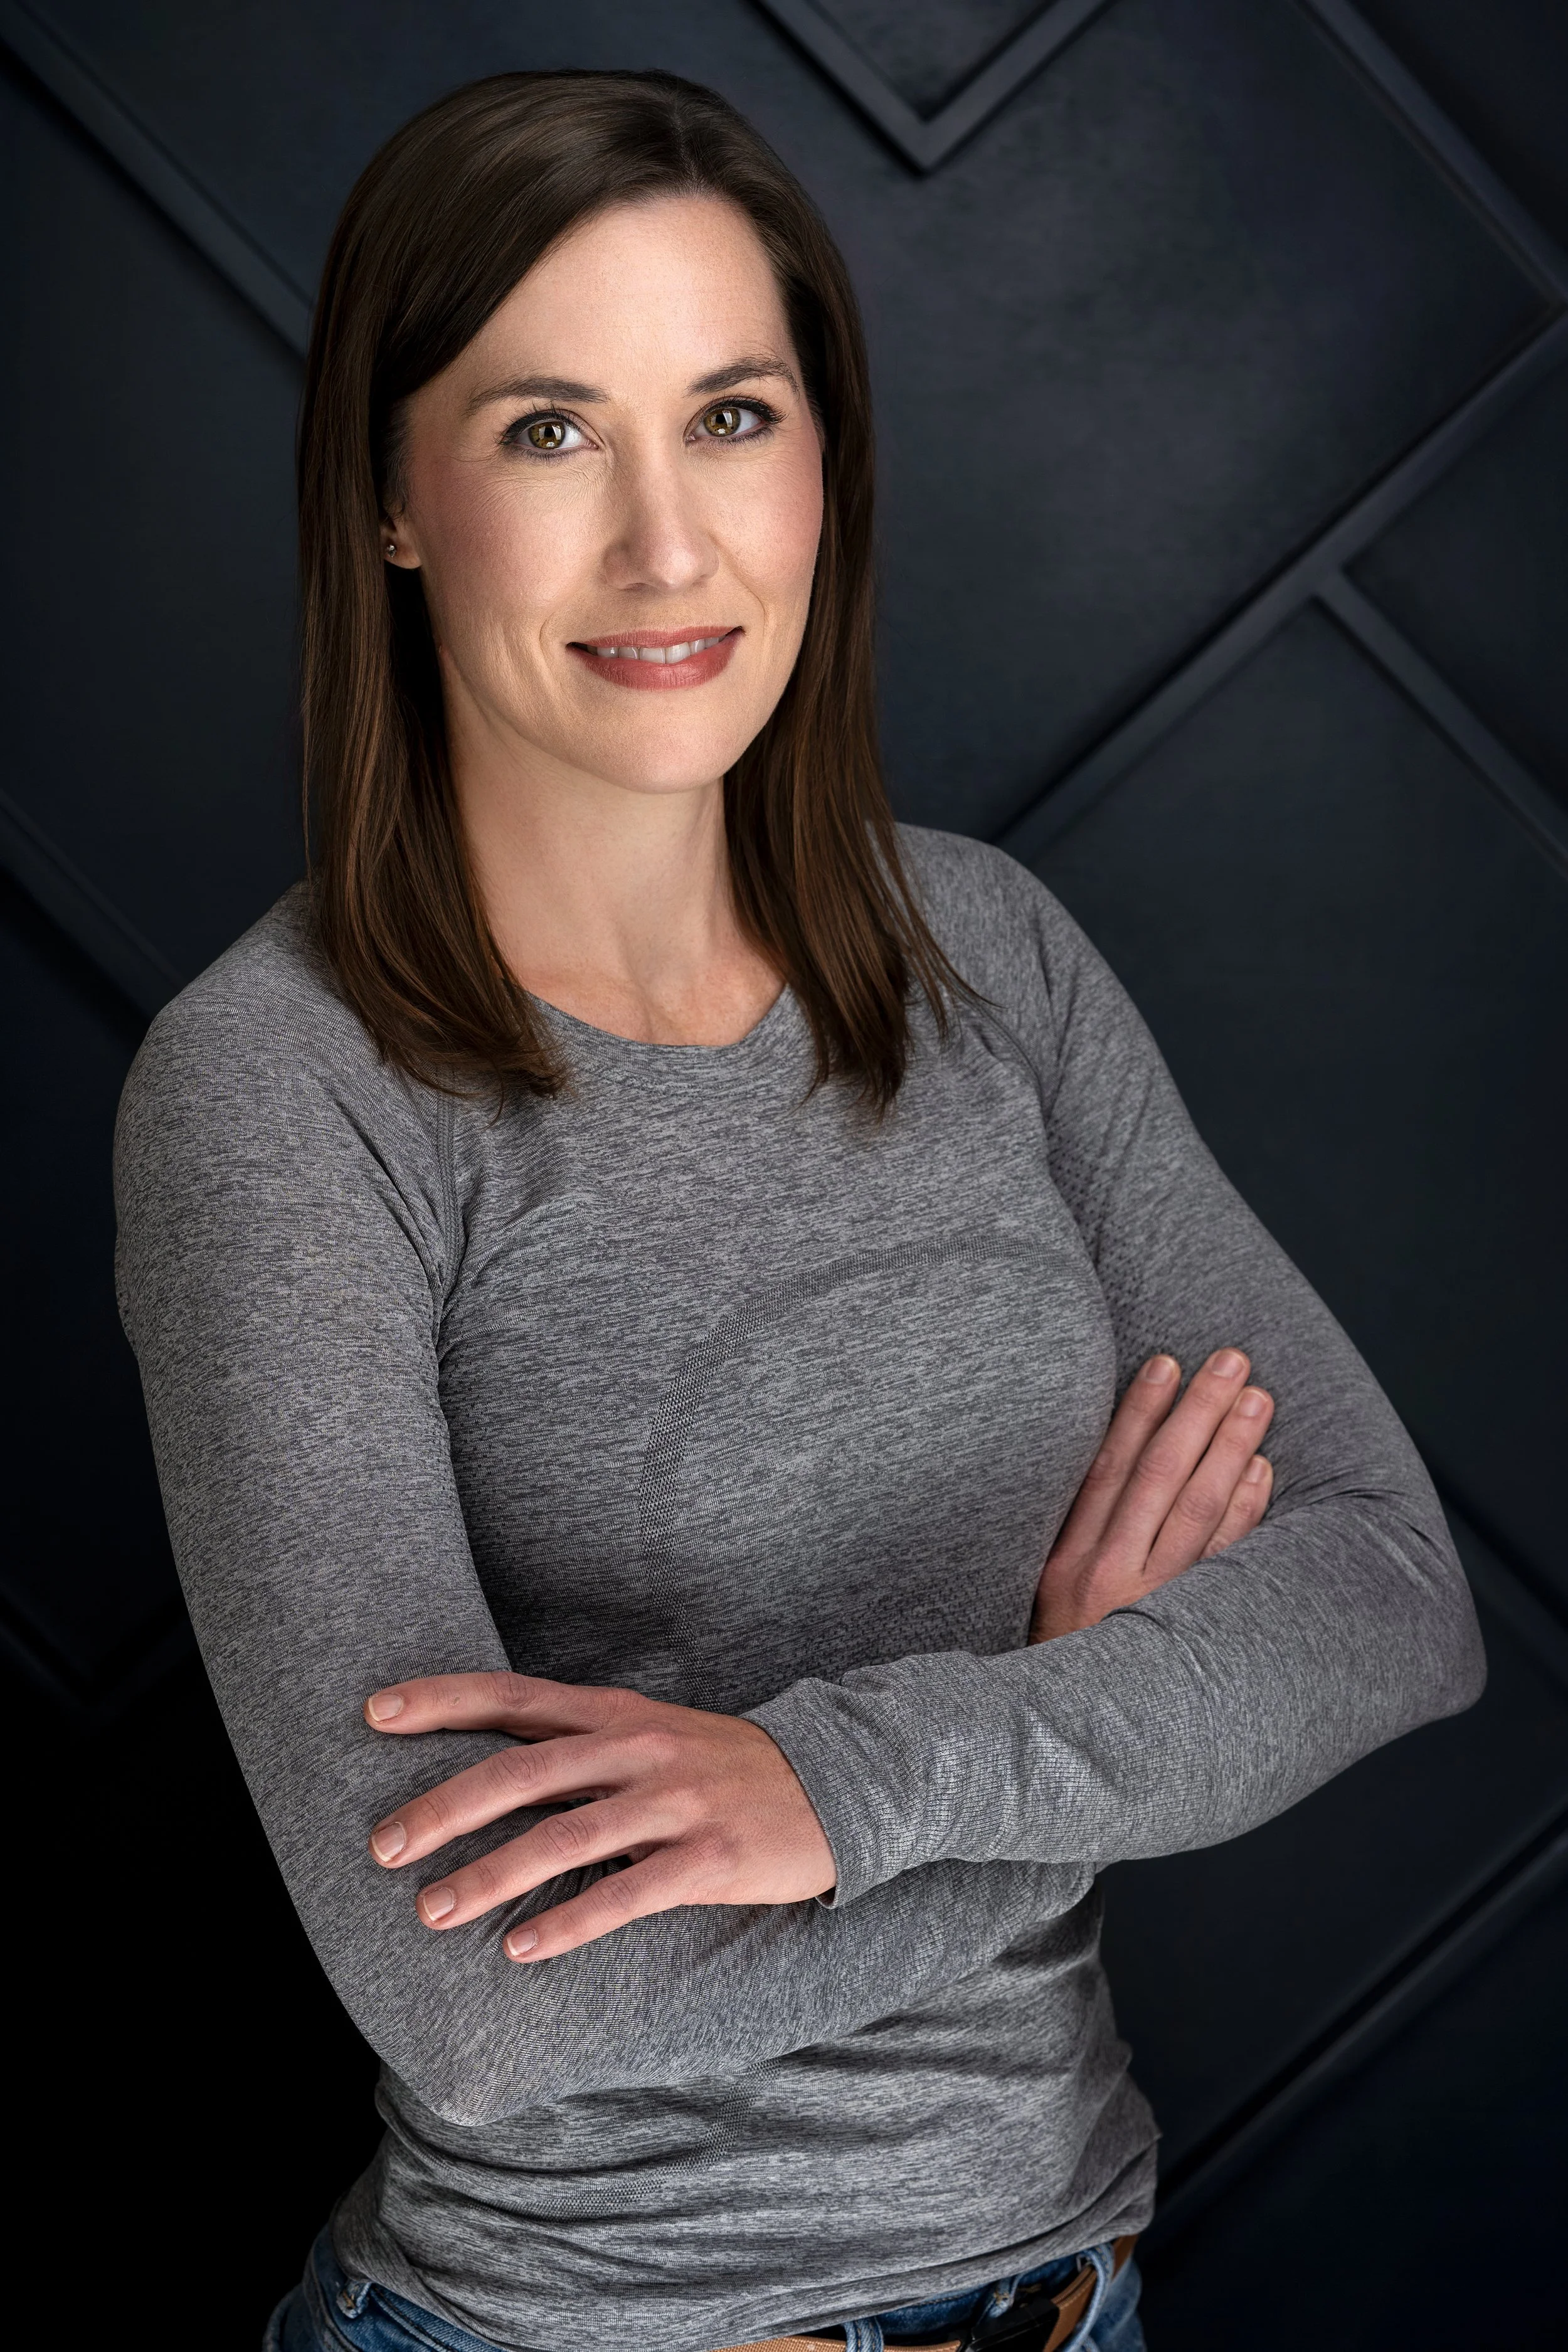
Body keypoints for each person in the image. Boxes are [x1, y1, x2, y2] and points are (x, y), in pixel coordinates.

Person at [114, 70, 1484, 2352]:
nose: (671, 547)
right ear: (389, 495)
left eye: (730, 415)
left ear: (823, 465)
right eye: (550, 431)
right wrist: (1079, 1725)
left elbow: (1384, 1590)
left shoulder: (984, 955)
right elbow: (488, 2013)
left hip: (1078, 2295)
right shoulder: (280, 1089)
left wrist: (845, 1781)